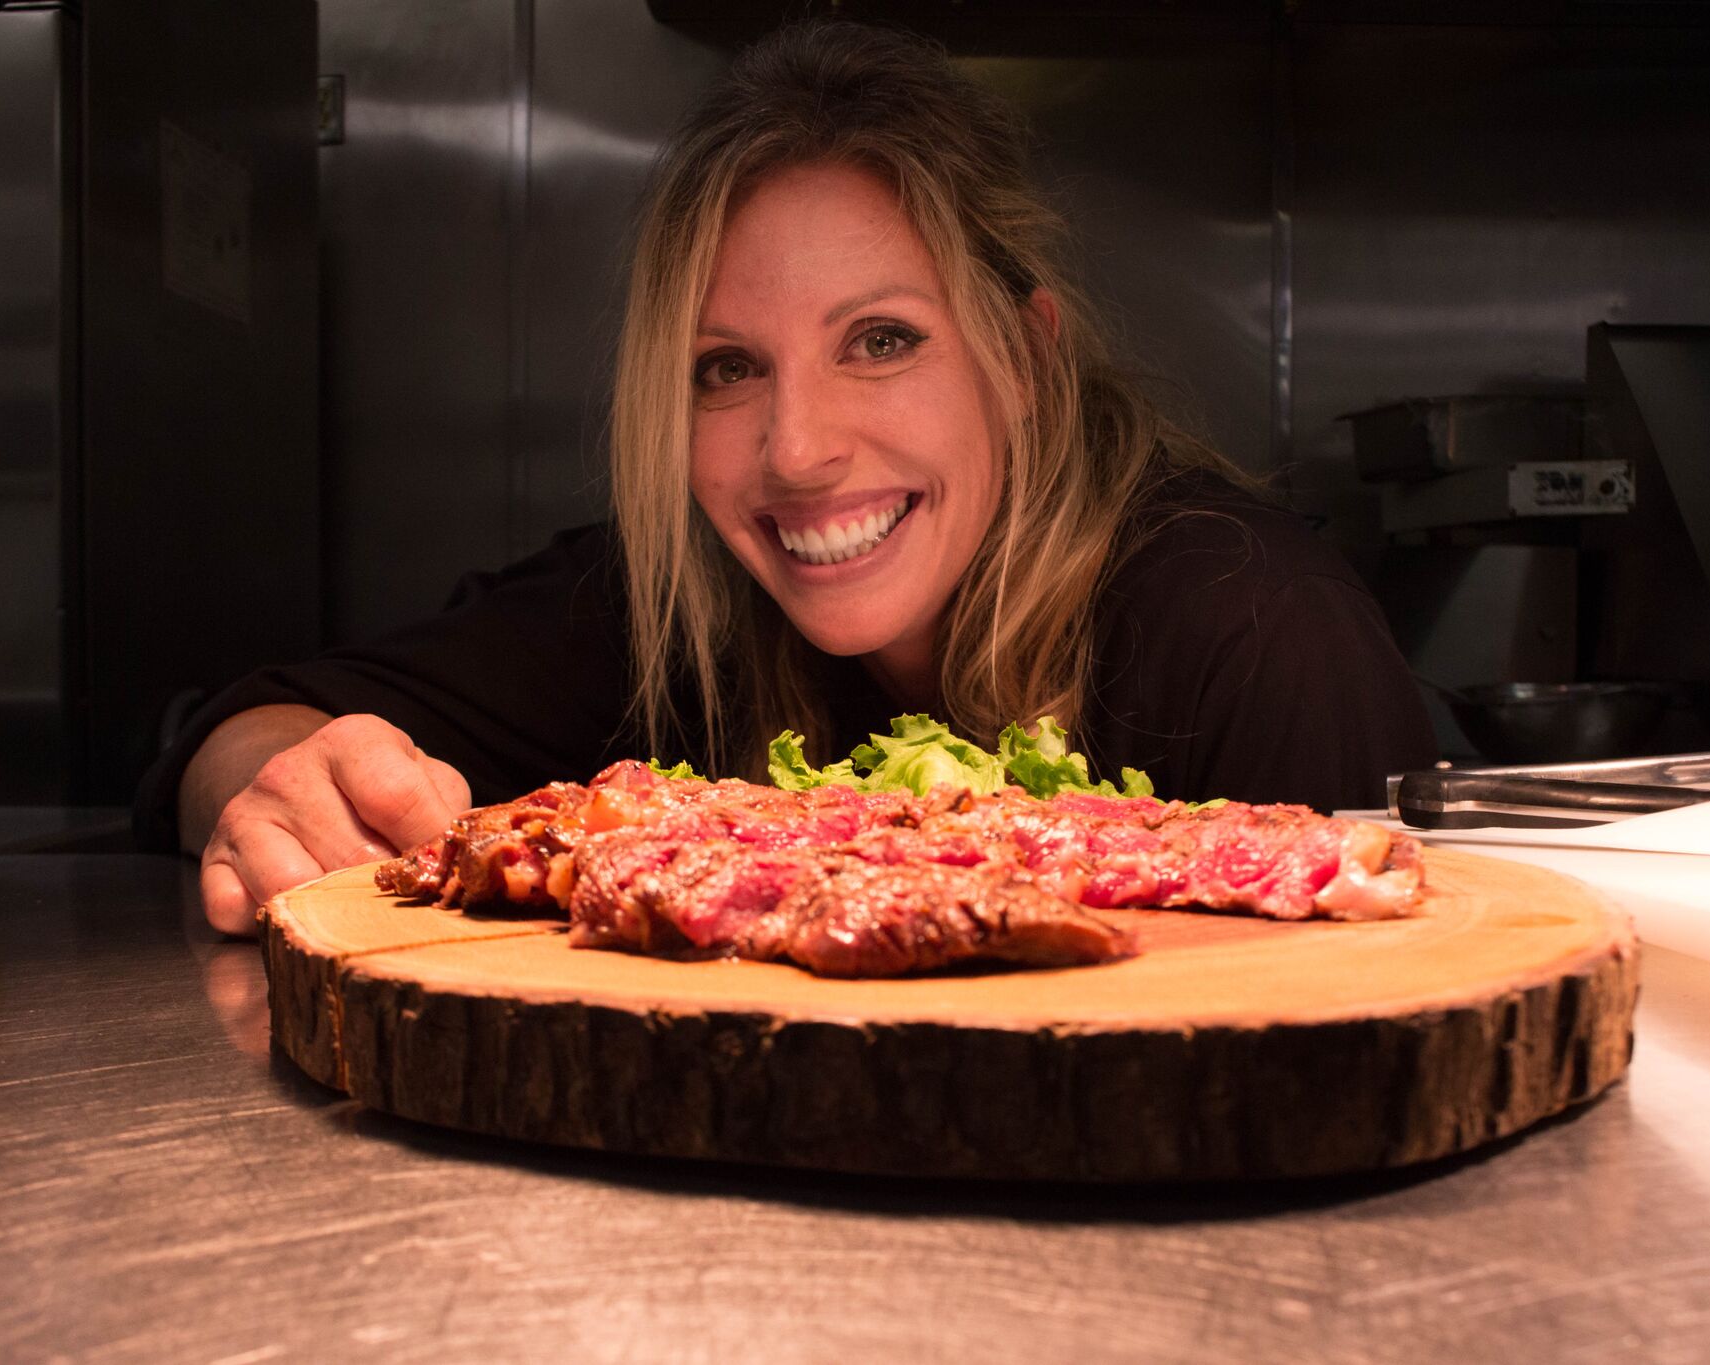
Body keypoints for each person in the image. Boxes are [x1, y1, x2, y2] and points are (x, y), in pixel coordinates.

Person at [140, 22, 1435, 935]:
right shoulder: (674, 603)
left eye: (881, 340)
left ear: (1026, 358)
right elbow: (245, 721)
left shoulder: (1252, 628)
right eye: (726, 368)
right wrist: (287, 792)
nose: (799, 450)